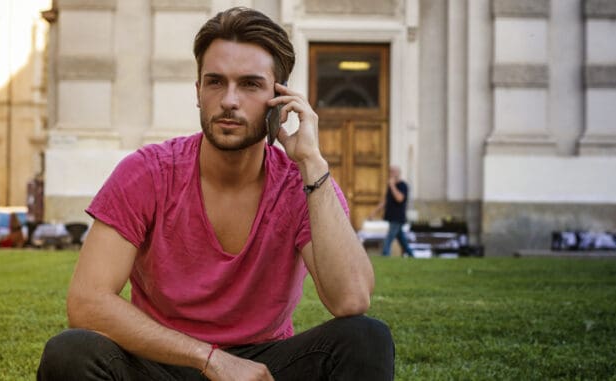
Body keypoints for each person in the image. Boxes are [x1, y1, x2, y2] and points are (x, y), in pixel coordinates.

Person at [37, 7, 394, 381]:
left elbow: (351, 299)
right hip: (163, 361)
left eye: (250, 84)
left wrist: (314, 164)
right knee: (70, 352)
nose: (229, 100)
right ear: (198, 92)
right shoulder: (148, 171)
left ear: (280, 99)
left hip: (262, 370)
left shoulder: (300, 183)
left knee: (365, 338)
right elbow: (87, 301)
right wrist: (209, 359)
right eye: (215, 82)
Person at [368, 166, 414, 257]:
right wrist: (374, 212)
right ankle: (411, 255)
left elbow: (399, 199)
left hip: (398, 218)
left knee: (389, 238)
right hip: (391, 217)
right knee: (402, 240)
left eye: (393, 172)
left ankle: (385, 255)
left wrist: (392, 186)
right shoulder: (390, 187)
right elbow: (386, 201)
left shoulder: (403, 185)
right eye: (390, 172)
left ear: (398, 173)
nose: (390, 174)